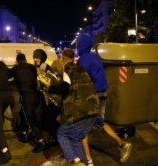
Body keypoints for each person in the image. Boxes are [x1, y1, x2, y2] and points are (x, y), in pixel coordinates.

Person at [76, 33, 132, 164]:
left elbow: (81, 81)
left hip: (92, 95)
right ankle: (122, 144)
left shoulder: (82, 60)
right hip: (102, 92)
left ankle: (88, 160)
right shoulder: (95, 57)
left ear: (80, 45)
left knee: (82, 125)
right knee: (98, 121)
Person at [41, 48, 102, 166]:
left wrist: (49, 88)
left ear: (63, 59)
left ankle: (76, 161)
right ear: (73, 58)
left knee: (62, 134)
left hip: (80, 112)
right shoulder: (82, 70)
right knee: (75, 139)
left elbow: (65, 88)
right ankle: (85, 163)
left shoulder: (66, 71)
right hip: (94, 110)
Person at [10, 53, 46, 153]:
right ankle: (25, 131)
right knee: (23, 113)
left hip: (27, 97)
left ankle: (40, 141)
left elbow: (8, 75)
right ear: (25, 59)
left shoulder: (16, 69)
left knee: (31, 119)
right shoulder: (31, 67)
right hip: (36, 96)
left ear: (17, 61)